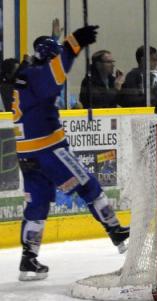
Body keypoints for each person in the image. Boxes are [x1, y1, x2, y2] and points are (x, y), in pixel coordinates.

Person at [12, 26, 129, 281]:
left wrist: (63, 43)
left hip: (27, 153)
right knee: (89, 185)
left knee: (37, 204)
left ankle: (28, 261)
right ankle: (116, 232)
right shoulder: (38, 74)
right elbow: (54, 75)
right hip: (49, 150)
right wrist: (73, 44)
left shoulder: (24, 73)